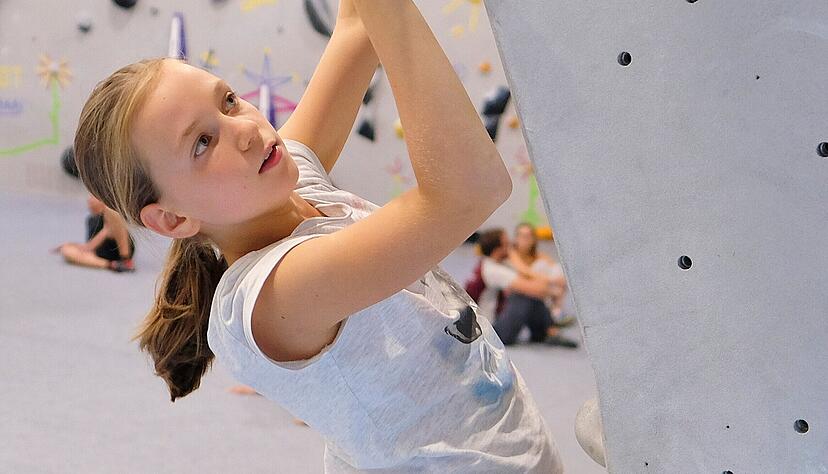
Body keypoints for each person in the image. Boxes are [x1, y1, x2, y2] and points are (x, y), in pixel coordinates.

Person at [72, 1, 563, 472]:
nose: (242, 128)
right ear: (173, 220)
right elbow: (467, 192)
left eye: (226, 100)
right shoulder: (271, 293)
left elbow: (355, 26)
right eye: (202, 142)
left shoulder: (285, 180)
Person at [475, 229, 578, 348]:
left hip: (496, 321)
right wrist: (554, 289)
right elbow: (536, 289)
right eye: (507, 244)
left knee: (529, 293)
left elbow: (534, 272)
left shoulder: (500, 263)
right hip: (491, 331)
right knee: (523, 296)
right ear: (498, 250)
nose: (512, 246)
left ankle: (548, 329)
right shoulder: (493, 270)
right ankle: (551, 324)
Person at [51, 194, 136, 272]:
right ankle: (111, 265)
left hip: (117, 245)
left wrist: (88, 247)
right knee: (66, 250)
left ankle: (126, 259)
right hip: (101, 251)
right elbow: (89, 245)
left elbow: (108, 231)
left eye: (93, 197)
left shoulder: (109, 214)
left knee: (111, 212)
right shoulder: (90, 220)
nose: (89, 201)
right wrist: (70, 245)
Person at [509, 222, 572, 322]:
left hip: (543, 289)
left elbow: (554, 267)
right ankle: (554, 310)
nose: (526, 240)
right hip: (522, 292)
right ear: (516, 238)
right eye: (523, 236)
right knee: (540, 268)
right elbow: (525, 272)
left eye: (529, 236)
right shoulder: (512, 253)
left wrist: (557, 279)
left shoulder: (537, 255)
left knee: (556, 269)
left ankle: (556, 309)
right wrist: (551, 280)